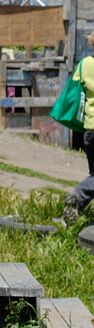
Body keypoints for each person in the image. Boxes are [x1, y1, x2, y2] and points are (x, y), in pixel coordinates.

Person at [63, 30, 94, 225]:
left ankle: (73, 212)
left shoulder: (84, 64)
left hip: (90, 130)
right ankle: (79, 196)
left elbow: (73, 89)